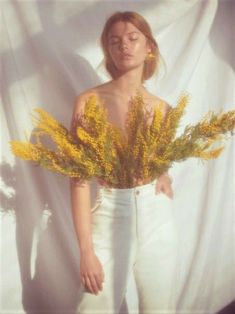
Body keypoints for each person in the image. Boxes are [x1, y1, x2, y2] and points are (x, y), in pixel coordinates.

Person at [70, 11, 178, 314]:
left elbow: (160, 161)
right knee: (92, 306)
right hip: (109, 213)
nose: (124, 46)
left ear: (149, 47)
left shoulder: (163, 109)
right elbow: (78, 179)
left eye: (133, 38)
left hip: (158, 218)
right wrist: (86, 251)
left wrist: (164, 175)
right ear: (108, 50)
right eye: (114, 41)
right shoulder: (88, 102)